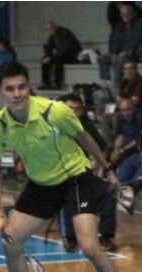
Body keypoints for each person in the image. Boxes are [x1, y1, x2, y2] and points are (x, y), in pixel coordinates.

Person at [0, 62, 141, 272]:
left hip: (74, 178)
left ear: (29, 87)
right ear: (1, 92)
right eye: (10, 89)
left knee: (89, 246)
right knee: (10, 242)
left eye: (21, 87)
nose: (17, 94)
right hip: (41, 184)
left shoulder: (53, 111)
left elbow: (84, 137)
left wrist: (107, 168)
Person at [56, 93, 118, 253]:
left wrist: (97, 170)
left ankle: (105, 236)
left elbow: (102, 148)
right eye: (70, 108)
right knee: (66, 195)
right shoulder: (52, 127)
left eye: (78, 109)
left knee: (108, 191)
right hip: (58, 177)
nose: (74, 112)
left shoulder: (85, 126)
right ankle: (69, 238)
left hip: (83, 175)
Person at [40, 20, 82, 90]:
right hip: (61, 55)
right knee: (44, 59)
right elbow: (48, 52)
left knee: (58, 60)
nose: (48, 31)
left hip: (72, 55)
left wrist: (51, 58)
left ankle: (57, 84)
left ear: (54, 27)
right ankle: (46, 83)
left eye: (50, 29)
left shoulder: (63, 33)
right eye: (47, 30)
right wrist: (46, 43)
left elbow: (64, 50)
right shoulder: (52, 36)